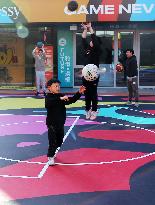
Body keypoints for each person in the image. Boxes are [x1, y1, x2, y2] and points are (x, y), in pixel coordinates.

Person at [45, 78, 86, 165]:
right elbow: (49, 104)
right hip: (52, 124)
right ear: (49, 88)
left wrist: (79, 92)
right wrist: (60, 99)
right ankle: (50, 157)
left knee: (59, 141)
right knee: (52, 141)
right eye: (56, 86)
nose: (58, 87)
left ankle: (53, 151)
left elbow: (71, 100)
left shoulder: (61, 95)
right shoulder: (49, 97)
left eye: (59, 86)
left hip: (60, 123)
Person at [81, 22, 101, 120]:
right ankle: (87, 110)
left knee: (93, 94)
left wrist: (90, 28)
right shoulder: (87, 49)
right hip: (85, 75)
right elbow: (83, 39)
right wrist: (85, 29)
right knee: (87, 94)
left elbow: (93, 37)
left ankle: (94, 110)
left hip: (93, 76)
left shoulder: (97, 49)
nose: (91, 41)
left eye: (93, 41)